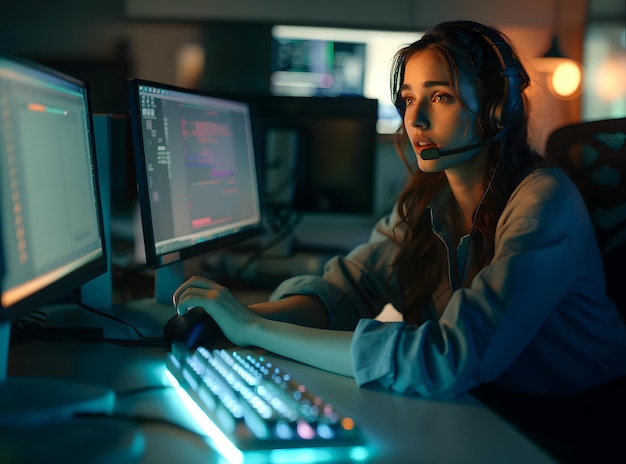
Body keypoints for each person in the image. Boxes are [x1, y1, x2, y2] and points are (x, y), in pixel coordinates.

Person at [173, 20, 626, 400]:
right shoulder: (430, 198)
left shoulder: (543, 205)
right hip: (488, 405)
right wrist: (229, 318)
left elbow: (448, 357)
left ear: (495, 110)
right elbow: (347, 289)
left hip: (576, 422)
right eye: (409, 99)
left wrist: (254, 329)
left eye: (440, 96)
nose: (416, 120)